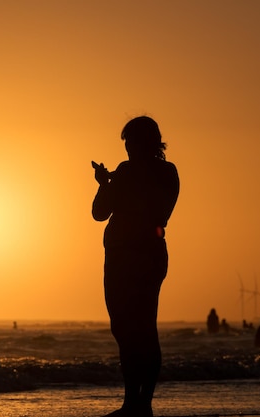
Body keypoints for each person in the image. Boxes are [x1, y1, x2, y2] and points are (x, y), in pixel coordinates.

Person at [92, 116, 180, 417]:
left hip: (132, 257)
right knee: (132, 328)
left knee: (136, 329)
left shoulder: (136, 172)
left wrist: (110, 184)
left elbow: (100, 212)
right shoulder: (163, 172)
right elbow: (102, 212)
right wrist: (108, 184)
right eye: (126, 144)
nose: (128, 148)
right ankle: (138, 403)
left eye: (131, 142)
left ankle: (138, 404)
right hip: (137, 256)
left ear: (146, 142)